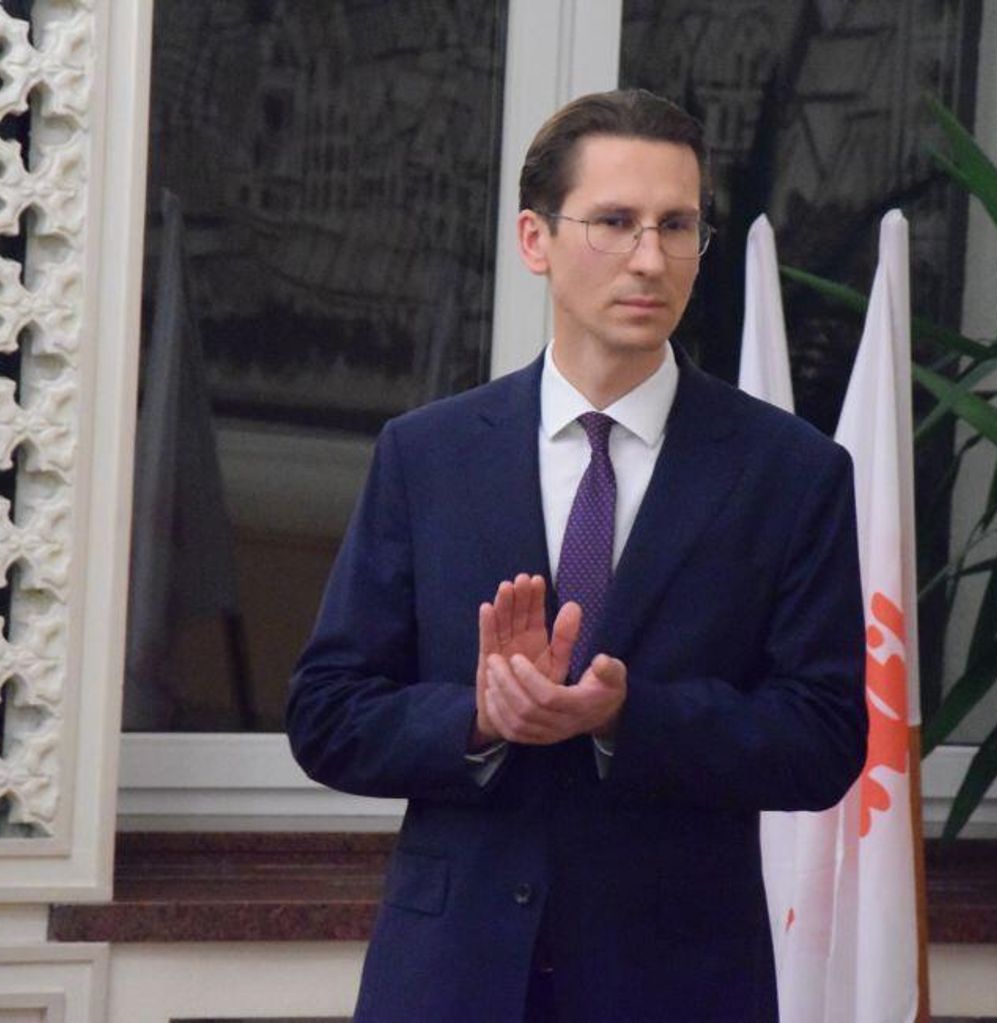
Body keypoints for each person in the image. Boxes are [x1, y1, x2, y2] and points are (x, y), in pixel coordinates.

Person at [287, 88, 866, 1022]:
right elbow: (326, 712)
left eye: (677, 225)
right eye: (615, 222)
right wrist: (478, 717)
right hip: (452, 979)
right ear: (535, 239)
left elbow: (824, 739)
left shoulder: (791, 472)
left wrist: (627, 716)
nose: (651, 258)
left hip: (678, 982)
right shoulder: (428, 455)